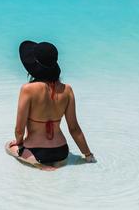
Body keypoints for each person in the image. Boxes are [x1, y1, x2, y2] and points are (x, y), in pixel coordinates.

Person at [5, 40, 95, 170]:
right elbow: (74, 129)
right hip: (62, 152)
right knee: (61, 160)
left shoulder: (28, 89)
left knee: (8, 146)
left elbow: (19, 129)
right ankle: (56, 164)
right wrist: (88, 154)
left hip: (36, 152)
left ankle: (39, 165)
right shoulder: (67, 90)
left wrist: (18, 143)